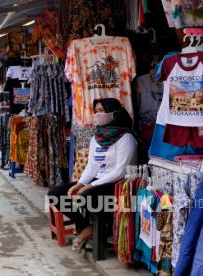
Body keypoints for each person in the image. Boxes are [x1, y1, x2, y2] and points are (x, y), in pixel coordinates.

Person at [48, 98, 137, 251]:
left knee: (87, 196)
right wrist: (79, 184)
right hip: (99, 180)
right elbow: (92, 166)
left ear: (114, 113)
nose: (97, 114)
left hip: (118, 182)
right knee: (56, 194)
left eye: (102, 110)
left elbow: (120, 171)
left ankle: (106, 230)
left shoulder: (126, 138)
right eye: (96, 111)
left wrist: (90, 185)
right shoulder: (97, 138)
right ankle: (86, 227)